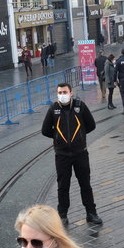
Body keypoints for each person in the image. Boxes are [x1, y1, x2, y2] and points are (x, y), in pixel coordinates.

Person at [41, 83, 103, 225]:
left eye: (64, 92)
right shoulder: (53, 109)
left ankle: (91, 213)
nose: (62, 95)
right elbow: (45, 130)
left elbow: (91, 125)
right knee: (63, 186)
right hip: (62, 155)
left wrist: (79, 137)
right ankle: (62, 215)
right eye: (60, 92)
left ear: (71, 93)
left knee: (85, 184)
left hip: (80, 153)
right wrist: (58, 137)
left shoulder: (80, 106)